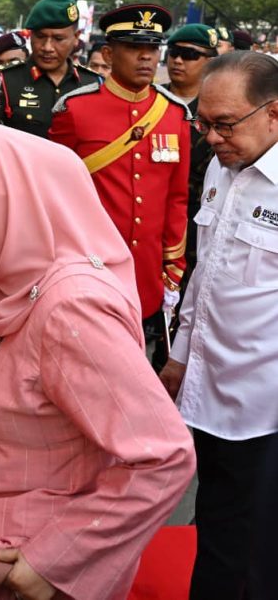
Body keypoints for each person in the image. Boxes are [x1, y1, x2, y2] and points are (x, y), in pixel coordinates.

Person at [0, 123, 196, 600]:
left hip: (25, 554)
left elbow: (163, 455)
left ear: (7, 206)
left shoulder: (71, 307)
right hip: (4, 540)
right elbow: (31, 374)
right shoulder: (25, 277)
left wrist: (53, 562)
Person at [159, 51, 278, 600]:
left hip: (266, 408)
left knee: (260, 552)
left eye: (226, 123)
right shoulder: (221, 166)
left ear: (273, 113)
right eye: (203, 123)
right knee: (217, 532)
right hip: (209, 391)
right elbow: (204, 274)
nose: (211, 136)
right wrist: (181, 357)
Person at [49, 4, 190, 369]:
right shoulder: (75, 112)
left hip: (147, 275)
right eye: (133, 47)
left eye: (153, 48)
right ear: (109, 54)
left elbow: (176, 198)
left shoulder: (174, 116)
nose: (146, 57)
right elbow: (54, 198)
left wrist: (173, 267)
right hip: (90, 269)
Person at [0, 0, 99, 137]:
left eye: (58, 39)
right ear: (30, 36)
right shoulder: (4, 81)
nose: (47, 47)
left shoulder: (93, 84)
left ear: (76, 38)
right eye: (40, 37)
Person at [164, 24, 218, 285]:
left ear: (210, 63)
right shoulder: (152, 100)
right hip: (151, 214)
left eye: (190, 55)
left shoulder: (218, 110)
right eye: (173, 52)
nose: (177, 60)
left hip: (197, 221)